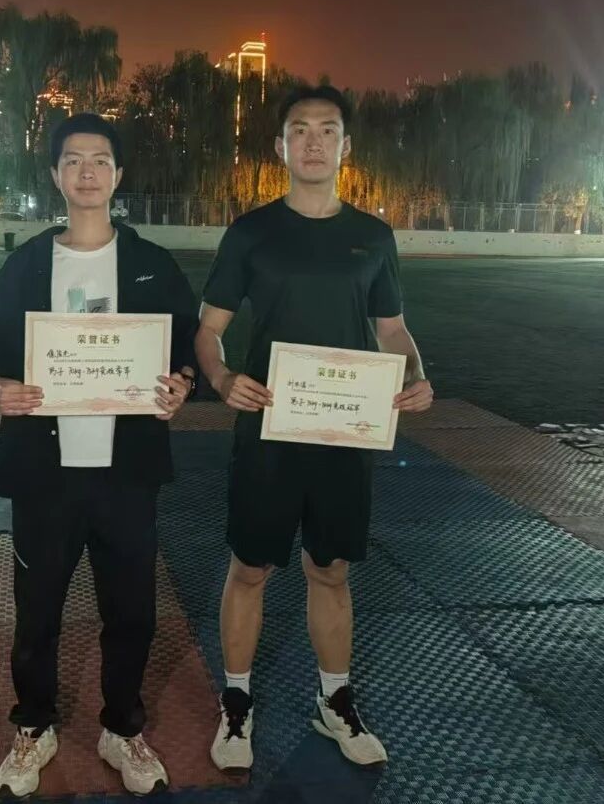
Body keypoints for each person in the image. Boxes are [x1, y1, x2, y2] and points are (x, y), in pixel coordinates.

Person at [195, 85, 434, 773]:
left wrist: (417, 373)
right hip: (268, 428)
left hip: (344, 433)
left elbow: (393, 330)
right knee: (250, 567)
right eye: (299, 129)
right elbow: (208, 330)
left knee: (329, 569)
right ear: (280, 146)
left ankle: (334, 701)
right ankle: (236, 703)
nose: (313, 141)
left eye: (327, 129)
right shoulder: (251, 232)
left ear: (344, 147)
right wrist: (222, 378)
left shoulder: (374, 237)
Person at [0, 113, 199, 798]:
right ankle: (33, 724)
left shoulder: (153, 265)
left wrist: (183, 384)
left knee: (133, 613)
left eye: (100, 159)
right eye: (73, 160)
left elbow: (187, 347)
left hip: (127, 475)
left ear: (118, 175)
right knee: (36, 610)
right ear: (56, 175)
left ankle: (121, 727)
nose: (87, 171)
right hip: (44, 475)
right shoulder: (27, 264)